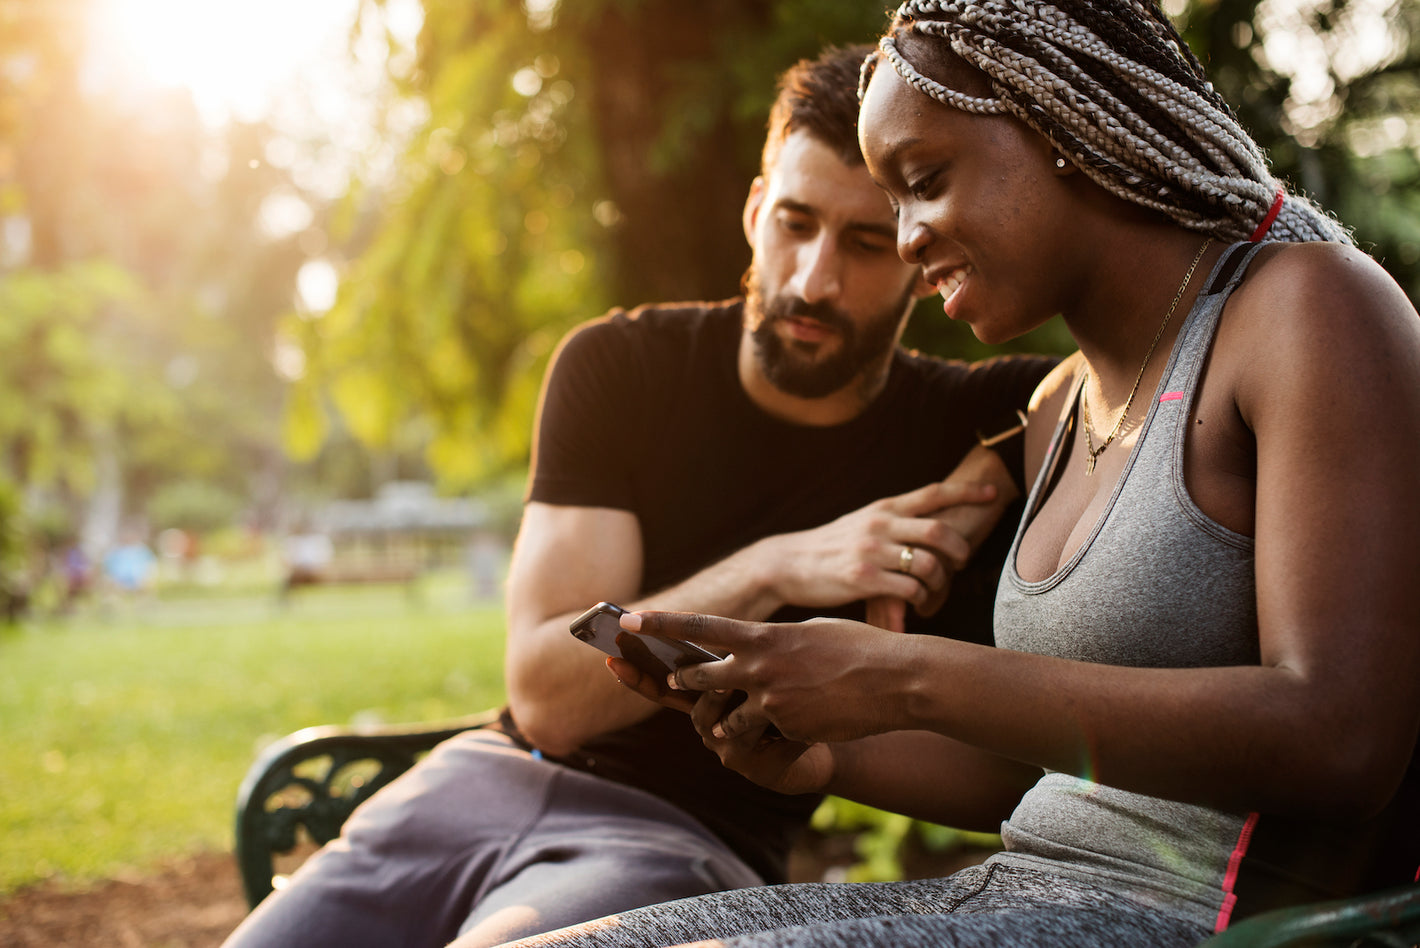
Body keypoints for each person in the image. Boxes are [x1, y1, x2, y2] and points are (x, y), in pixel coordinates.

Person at [495, 3, 1420, 947]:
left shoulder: (1307, 309)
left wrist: (907, 677)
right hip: (1015, 891)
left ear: (1060, 126)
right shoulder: (1056, 410)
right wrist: (821, 756)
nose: (905, 238)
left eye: (925, 182)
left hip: (1208, 922)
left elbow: (1342, 734)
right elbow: (1045, 771)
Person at [221, 44, 1056, 948]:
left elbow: (1131, 358)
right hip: (474, 787)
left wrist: (987, 472)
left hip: (683, 843)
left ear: (916, 249)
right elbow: (548, 694)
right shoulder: (619, 367)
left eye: (862, 243)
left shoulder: (973, 417)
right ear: (752, 211)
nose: (814, 279)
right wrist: (780, 566)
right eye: (794, 223)